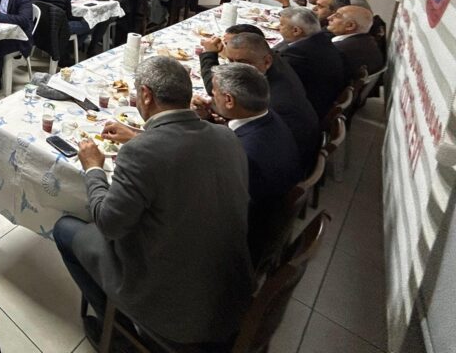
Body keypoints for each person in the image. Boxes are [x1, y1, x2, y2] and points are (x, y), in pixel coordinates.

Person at [54, 56, 252, 348]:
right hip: (231, 294)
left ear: (146, 95)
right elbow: (178, 151)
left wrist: (94, 168)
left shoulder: (140, 153)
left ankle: (119, 338)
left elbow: (108, 224)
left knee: (65, 229)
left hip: (175, 309)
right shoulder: (227, 135)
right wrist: (138, 136)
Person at [202, 63, 303, 261]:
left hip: (240, 241)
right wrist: (210, 119)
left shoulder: (245, 154)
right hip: (268, 213)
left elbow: (212, 199)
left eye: (214, 94)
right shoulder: (269, 116)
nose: (211, 98)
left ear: (229, 100)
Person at [206, 31, 321, 168]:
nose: (235, 68)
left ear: (267, 61)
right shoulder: (272, 71)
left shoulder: (277, 101)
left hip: (290, 163)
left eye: (243, 63)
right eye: (230, 61)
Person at [277, 7, 346, 119]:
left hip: (304, 112)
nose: (278, 27)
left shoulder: (297, 53)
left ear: (296, 31)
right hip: (323, 99)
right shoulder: (322, 40)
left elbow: (278, 82)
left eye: (281, 24)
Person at [328, 5, 385, 83]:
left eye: (337, 16)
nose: (329, 18)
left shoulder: (340, 49)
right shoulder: (366, 40)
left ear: (350, 26)